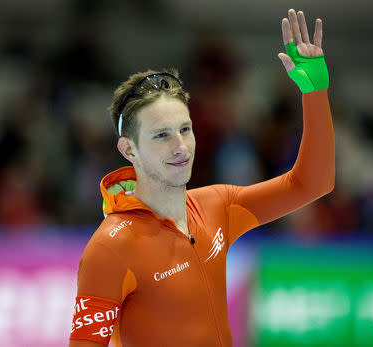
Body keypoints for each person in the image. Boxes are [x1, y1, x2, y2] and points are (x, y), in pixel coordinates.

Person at [69, 8, 334, 347]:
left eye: (185, 129)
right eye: (161, 135)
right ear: (128, 149)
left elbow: (313, 183)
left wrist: (314, 92)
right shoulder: (109, 248)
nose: (181, 147)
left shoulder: (217, 206)